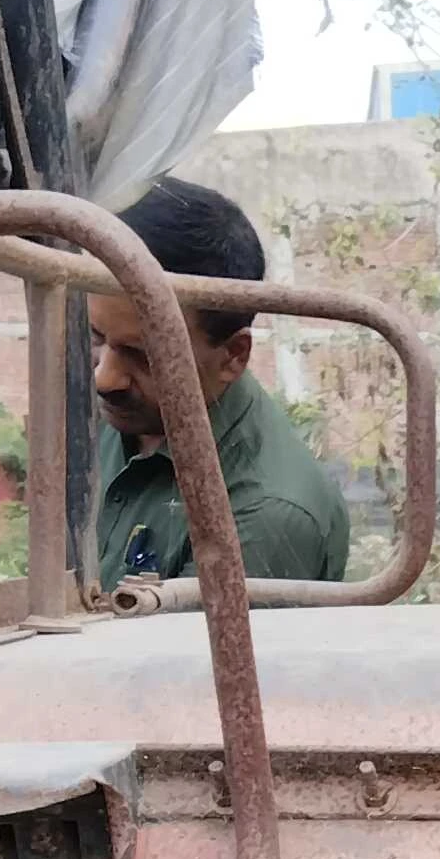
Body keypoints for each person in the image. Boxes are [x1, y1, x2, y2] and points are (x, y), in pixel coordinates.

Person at [93, 176, 349, 589]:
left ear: (232, 356)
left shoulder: (264, 513)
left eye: (144, 355)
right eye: (97, 338)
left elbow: (190, 655)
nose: (105, 378)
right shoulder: (130, 411)